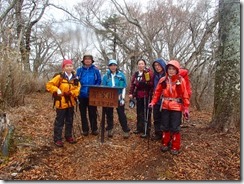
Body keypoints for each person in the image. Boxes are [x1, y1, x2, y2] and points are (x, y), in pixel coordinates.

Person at [148, 60, 190, 155]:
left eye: (173, 69)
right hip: (165, 106)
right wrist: (153, 102)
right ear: (166, 69)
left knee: (175, 127)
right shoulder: (163, 80)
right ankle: (165, 143)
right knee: (165, 126)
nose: (171, 71)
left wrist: (186, 108)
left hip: (176, 107)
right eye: (169, 69)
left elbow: (185, 95)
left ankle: (175, 146)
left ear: (177, 70)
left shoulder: (181, 80)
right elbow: (157, 93)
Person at [46, 59, 81, 147]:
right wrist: (57, 90)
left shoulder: (75, 78)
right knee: (59, 121)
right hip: (61, 103)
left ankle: (68, 136)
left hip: (71, 102)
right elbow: (49, 85)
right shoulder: (60, 77)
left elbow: (78, 88)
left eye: (70, 66)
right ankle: (57, 139)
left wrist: (71, 93)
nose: (69, 68)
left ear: (72, 67)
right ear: (64, 68)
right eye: (67, 66)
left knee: (69, 120)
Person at [102, 59, 131, 139]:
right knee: (109, 114)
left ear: (116, 66)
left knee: (121, 114)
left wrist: (123, 98)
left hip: (119, 97)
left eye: (114, 65)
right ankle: (110, 129)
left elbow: (124, 87)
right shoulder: (105, 76)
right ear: (109, 67)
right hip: (109, 97)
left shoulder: (121, 75)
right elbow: (103, 88)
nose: (113, 67)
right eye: (111, 65)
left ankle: (125, 130)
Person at [76, 53, 101, 136]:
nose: (87, 60)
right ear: (83, 61)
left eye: (89, 59)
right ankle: (85, 130)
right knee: (83, 113)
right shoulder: (79, 70)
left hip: (92, 94)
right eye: (86, 59)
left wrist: (94, 89)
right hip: (81, 94)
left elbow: (99, 81)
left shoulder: (95, 70)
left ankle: (94, 129)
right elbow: (76, 81)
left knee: (93, 112)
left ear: (91, 61)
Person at [128, 59, 154, 138]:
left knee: (146, 113)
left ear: (145, 65)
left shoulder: (147, 73)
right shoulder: (136, 74)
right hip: (138, 95)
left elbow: (151, 84)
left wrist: (145, 84)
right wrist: (131, 93)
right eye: (139, 64)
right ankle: (139, 128)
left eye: (142, 64)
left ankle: (146, 130)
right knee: (139, 112)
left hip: (146, 95)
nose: (140, 65)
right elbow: (133, 84)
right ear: (137, 65)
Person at [151, 58, 167, 141]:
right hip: (156, 100)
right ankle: (158, 133)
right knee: (156, 117)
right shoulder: (155, 75)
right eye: (155, 66)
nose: (157, 67)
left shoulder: (167, 75)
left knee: (164, 118)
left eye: (158, 65)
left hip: (165, 100)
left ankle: (165, 135)